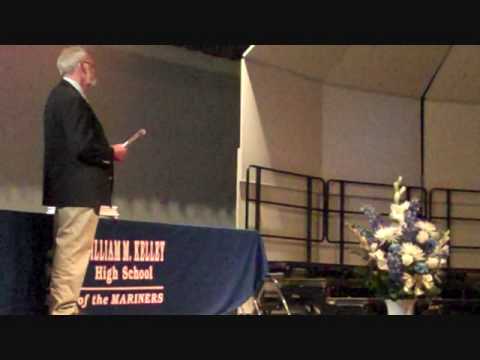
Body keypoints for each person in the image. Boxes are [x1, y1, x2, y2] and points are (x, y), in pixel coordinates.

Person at [42, 46, 128, 315]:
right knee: (72, 258)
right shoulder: (70, 98)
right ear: (82, 67)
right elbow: (81, 146)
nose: (94, 72)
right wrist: (110, 152)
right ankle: (64, 312)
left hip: (71, 192)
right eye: (92, 65)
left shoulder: (62, 97)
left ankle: (65, 309)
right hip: (78, 192)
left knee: (70, 256)